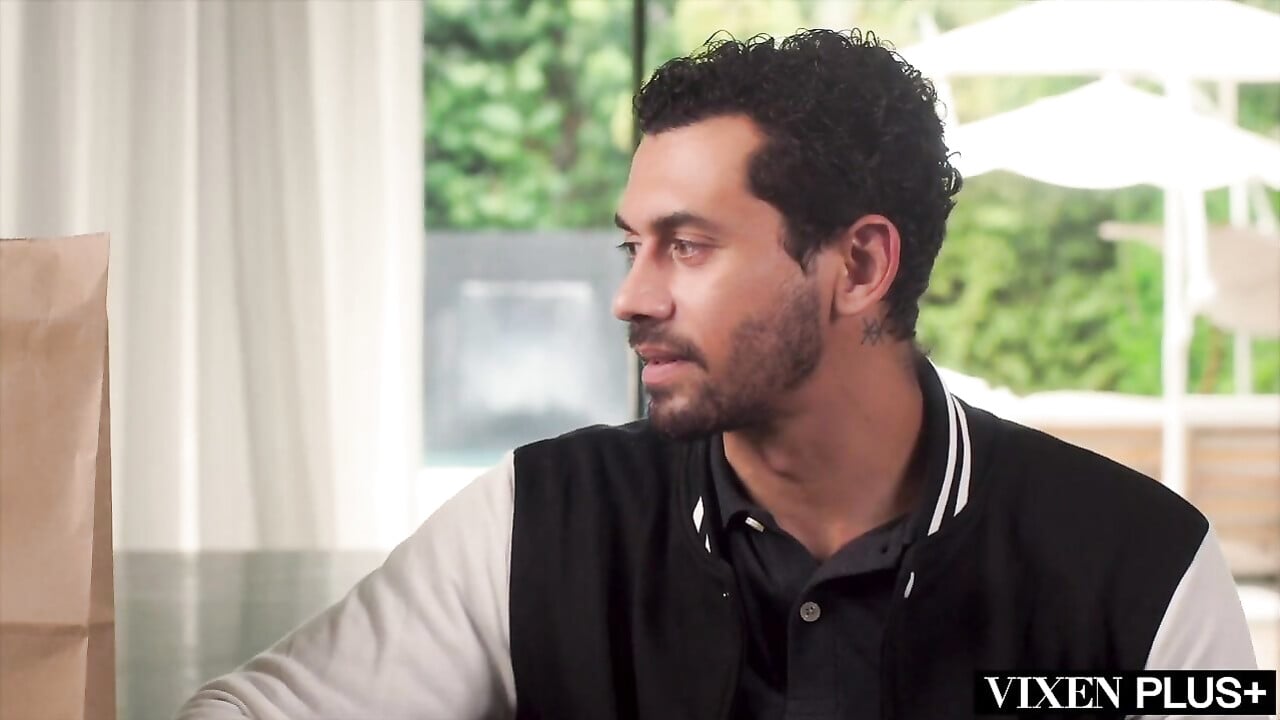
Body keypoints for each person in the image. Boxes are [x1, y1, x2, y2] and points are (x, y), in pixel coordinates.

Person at [177, 29, 1258, 720]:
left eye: (686, 247)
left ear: (858, 266)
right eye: (631, 245)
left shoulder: (1142, 569)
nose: (630, 296)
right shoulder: (540, 521)